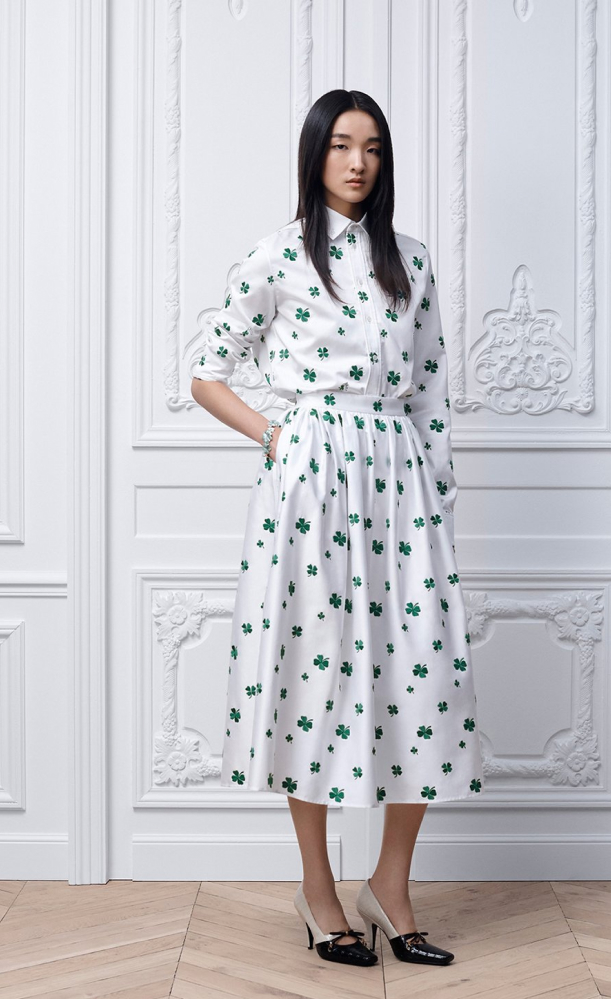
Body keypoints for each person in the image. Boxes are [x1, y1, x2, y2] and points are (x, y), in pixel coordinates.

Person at [190, 89, 483, 967]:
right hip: (311, 481)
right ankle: (318, 888)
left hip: (400, 481)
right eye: (342, 145)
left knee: (424, 673)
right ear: (315, 153)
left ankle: (389, 885)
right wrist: (277, 435)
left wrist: (434, 495)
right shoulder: (277, 255)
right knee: (311, 674)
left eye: (374, 148)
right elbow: (206, 371)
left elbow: (430, 389)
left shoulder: (412, 261)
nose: (358, 162)